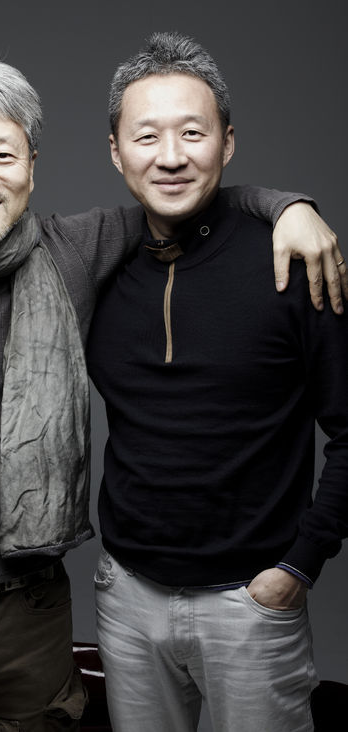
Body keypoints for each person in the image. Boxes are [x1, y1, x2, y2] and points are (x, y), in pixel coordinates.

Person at [0, 55, 345, 731]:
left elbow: (186, 195)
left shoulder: (72, 255)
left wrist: (290, 206)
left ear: (32, 167)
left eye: (3, 155)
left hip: (42, 613)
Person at [83, 32, 348, 731]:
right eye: (147, 136)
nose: (171, 156)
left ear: (227, 144)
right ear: (116, 151)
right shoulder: (95, 265)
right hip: (127, 596)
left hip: (252, 603)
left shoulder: (293, 262)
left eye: (193, 133)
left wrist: (300, 564)